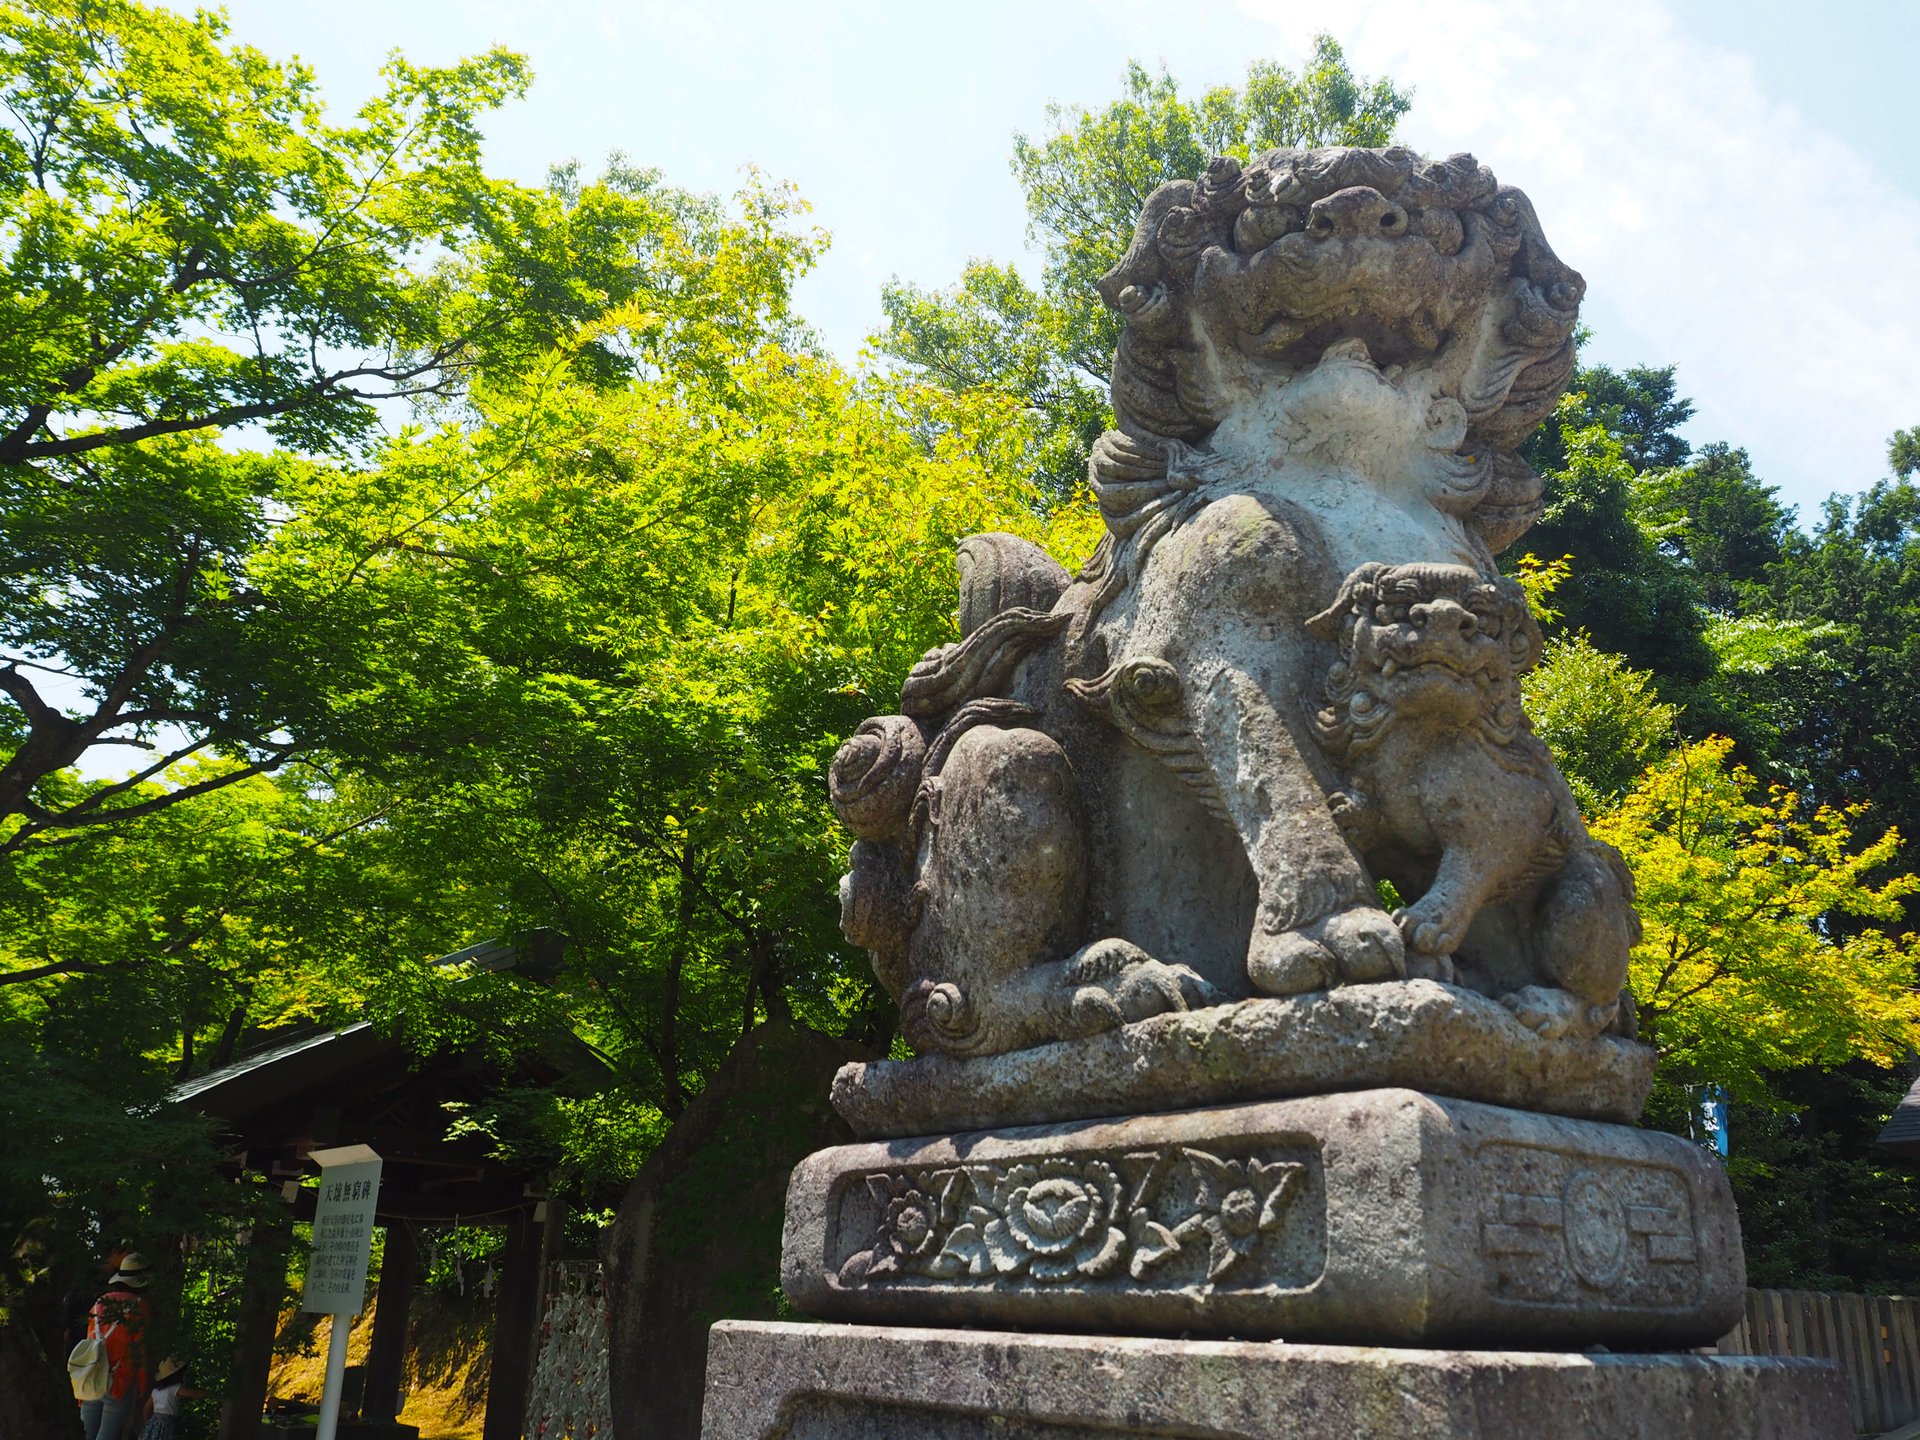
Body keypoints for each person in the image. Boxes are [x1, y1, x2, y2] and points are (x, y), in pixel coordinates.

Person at [77, 1251, 154, 1440]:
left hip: (92, 1374)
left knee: (86, 1433)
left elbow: (90, 1339)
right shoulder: (140, 1307)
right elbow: (139, 1350)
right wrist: (142, 1382)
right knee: (108, 1435)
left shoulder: (99, 1303)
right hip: (119, 1378)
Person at [138, 1359, 206, 1440]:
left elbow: (146, 1409)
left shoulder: (156, 1391)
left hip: (153, 1422)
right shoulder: (175, 1389)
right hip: (167, 1423)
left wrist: (148, 1424)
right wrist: (211, 1393)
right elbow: (195, 1394)